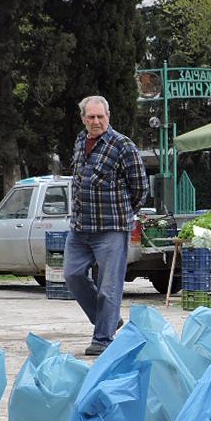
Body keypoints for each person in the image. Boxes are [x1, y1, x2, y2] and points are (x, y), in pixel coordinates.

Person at [64, 95, 149, 355]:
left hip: (111, 228)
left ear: (108, 116)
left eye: (100, 116)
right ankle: (109, 320)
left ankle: (103, 338)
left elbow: (140, 187)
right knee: (72, 275)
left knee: (108, 286)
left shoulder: (123, 145)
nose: (96, 121)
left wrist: (123, 214)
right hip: (80, 227)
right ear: (83, 119)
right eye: (91, 117)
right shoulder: (80, 142)